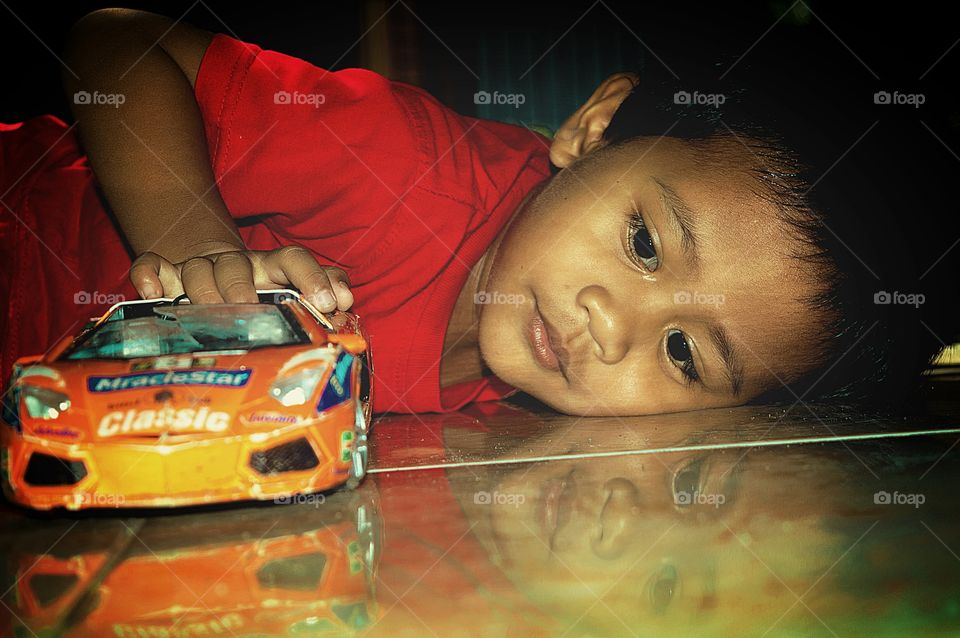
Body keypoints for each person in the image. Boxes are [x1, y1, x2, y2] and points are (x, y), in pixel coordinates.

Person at [1, 8, 955, 416]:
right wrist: (189, 238)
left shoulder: (529, 398)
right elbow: (115, 42)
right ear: (595, 128)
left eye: (685, 355)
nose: (611, 325)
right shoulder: (399, 168)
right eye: (643, 241)